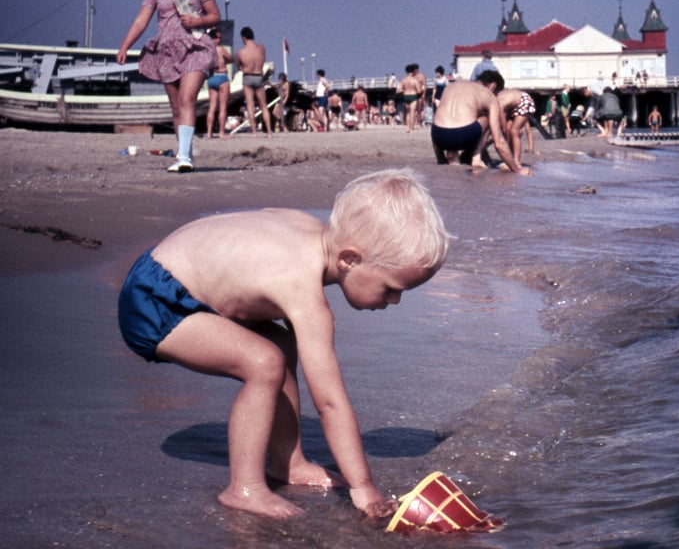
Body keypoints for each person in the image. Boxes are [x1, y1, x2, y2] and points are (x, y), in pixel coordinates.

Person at [117, 169, 450, 520]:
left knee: (282, 344)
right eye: (390, 288)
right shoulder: (302, 289)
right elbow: (330, 403)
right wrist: (363, 485)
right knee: (264, 362)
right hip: (154, 302)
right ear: (349, 260)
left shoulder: (306, 228)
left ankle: (287, 463)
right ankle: (244, 488)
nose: (394, 301)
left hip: (168, 270)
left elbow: (258, 224)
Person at [117, 0, 220, 173]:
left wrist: (197, 22)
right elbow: (141, 21)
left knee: (187, 99)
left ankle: (182, 158)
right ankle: (186, 153)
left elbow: (215, 16)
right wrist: (125, 46)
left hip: (195, 49)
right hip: (167, 54)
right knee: (176, 108)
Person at [431, 70, 527, 174]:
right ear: (493, 86)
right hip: (462, 135)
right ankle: (476, 159)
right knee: (487, 117)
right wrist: (517, 169)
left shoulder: (451, 85)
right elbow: (498, 142)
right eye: (497, 94)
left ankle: (452, 155)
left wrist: (440, 158)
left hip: (438, 136)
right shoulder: (488, 95)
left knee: (449, 119)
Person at [236, 26, 272, 138]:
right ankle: (269, 132)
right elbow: (262, 61)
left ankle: (254, 132)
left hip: (248, 76)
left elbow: (239, 67)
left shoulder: (241, 52)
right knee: (263, 106)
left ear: (243, 37)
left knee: (250, 105)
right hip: (259, 76)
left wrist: (245, 68)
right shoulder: (261, 48)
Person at [497, 88, 539, 171]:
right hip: (514, 104)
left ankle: (516, 161)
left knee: (514, 131)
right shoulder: (499, 102)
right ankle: (510, 159)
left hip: (523, 100)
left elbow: (503, 126)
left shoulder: (499, 104)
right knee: (508, 130)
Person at [204, 27, 232, 139]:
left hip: (211, 78)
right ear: (214, 38)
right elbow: (231, 59)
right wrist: (225, 61)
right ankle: (221, 132)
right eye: (218, 37)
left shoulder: (207, 50)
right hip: (222, 77)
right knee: (223, 107)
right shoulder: (220, 49)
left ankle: (209, 132)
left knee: (212, 107)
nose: (220, 39)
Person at [397, 64, 423, 134]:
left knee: (408, 113)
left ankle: (408, 128)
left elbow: (399, 90)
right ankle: (411, 129)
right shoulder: (415, 80)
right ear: (413, 71)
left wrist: (404, 90)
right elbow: (419, 91)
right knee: (412, 113)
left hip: (406, 96)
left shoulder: (403, 80)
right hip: (413, 96)